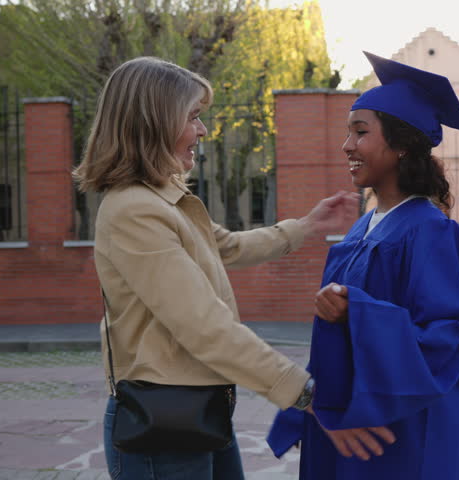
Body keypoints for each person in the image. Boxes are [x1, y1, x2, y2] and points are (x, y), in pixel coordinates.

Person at [72, 56, 359, 480]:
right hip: (161, 429)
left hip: (197, 413)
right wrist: (301, 389)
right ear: (155, 122)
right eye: (193, 118)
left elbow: (226, 246)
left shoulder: (162, 199)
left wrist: (309, 225)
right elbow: (204, 326)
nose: (202, 131)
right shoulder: (135, 211)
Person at [268, 51, 459, 479]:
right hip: (351, 419)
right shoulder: (363, 228)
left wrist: (357, 310)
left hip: (399, 432)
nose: (347, 145)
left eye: (360, 132)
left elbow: (444, 339)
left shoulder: (430, 232)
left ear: (401, 145)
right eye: (348, 134)